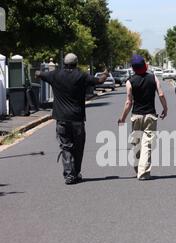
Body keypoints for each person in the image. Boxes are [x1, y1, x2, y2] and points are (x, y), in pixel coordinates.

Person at [36, 53, 109, 185]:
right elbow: (100, 81)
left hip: (61, 119)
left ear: (64, 63)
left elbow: (39, 74)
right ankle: (76, 172)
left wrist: (37, 72)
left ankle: (69, 175)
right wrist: (106, 73)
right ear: (76, 63)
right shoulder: (81, 76)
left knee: (66, 146)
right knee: (78, 147)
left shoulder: (55, 75)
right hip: (77, 118)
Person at [118, 55, 168, 180]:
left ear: (133, 69)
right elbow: (161, 94)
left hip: (136, 116)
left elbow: (129, 102)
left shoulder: (130, 82)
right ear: (145, 66)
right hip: (150, 115)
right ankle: (143, 172)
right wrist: (165, 108)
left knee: (137, 144)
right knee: (147, 144)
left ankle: (139, 169)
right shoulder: (153, 78)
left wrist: (122, 117)